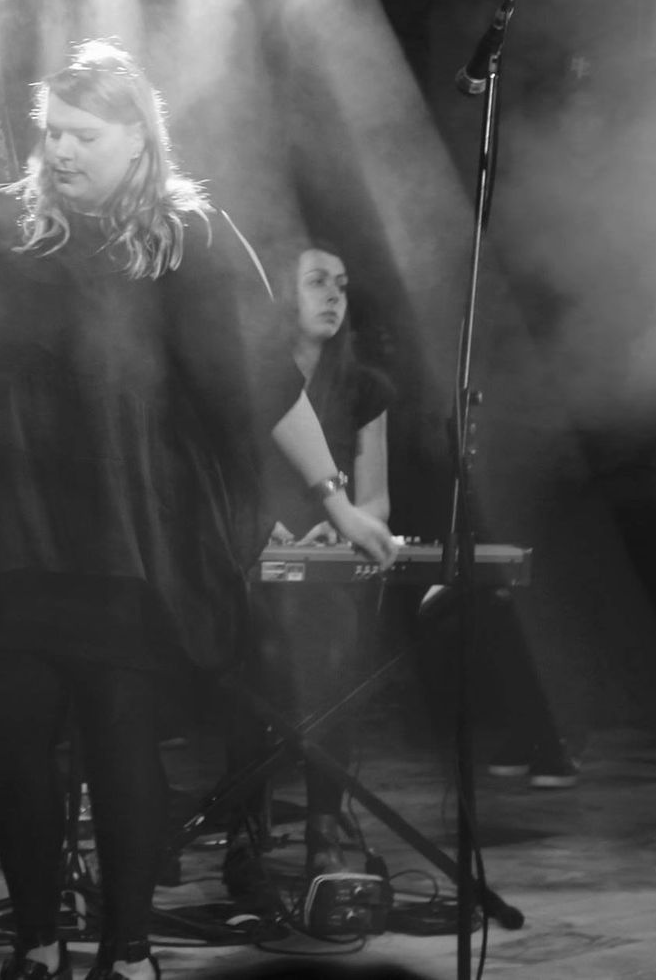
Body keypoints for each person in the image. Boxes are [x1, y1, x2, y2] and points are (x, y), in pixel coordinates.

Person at [0, 39, 397, 980]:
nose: (61, 150)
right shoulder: (2, 231)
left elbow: (266, 385)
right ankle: (35, 944)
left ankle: (128, 951)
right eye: (53, 133)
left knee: (121, 750)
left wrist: (337, 501)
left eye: (84, 135)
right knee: (14, 748)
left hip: (132, 544)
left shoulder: (189, 239)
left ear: (139, 139)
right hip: (16, 533)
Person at [223, 242, 393, 897]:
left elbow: (375, 501)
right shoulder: (247, 376)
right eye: (317, 281)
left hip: (326, 567)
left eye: (342, 284)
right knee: (258, 648)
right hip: (249, 559)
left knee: (330, 643)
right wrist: (261, 527)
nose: (334, 296)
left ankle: (326, 825)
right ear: (282, 295)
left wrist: (343, 524)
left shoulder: (365, 387)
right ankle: (245, 826)